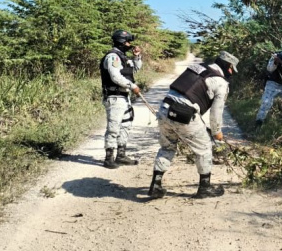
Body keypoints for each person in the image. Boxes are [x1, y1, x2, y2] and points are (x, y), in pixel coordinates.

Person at [148, 51, 239, 199]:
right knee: (204, 149)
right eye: (231, 69)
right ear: (227, 65)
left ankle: (155, 185)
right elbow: (216, 113)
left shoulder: (196, 67)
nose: (231, 73)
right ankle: (204, 188)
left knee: (167, 147)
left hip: (165, 109)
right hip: (185, 114)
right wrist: (217, 133)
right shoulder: (221, 83)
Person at [100, 29, 142, 169]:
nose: (130, 44)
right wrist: (132, 86)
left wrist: (137, 57)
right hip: (114, 97)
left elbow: (134, 70)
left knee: (126, 125)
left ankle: (121, 155)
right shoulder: (113, 57)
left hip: (124, 97)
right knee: (114, 127)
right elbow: (115, 77)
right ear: (121, 41)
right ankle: (109, 158)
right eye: (128, 41)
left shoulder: (123, 57)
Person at [255, 42, 282, 130]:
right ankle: (258, 124)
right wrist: (276, 62)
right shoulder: (277, 55)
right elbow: (269, 68)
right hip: (272, 83)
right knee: (266, 103)